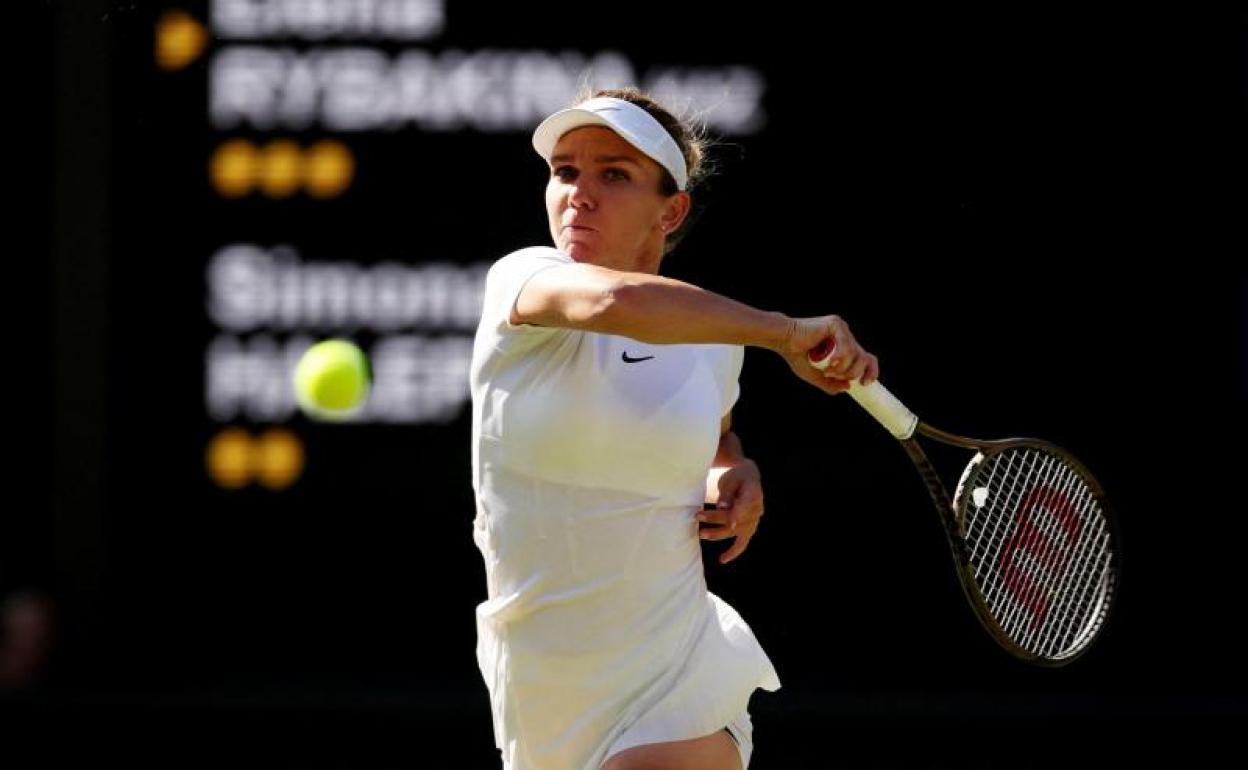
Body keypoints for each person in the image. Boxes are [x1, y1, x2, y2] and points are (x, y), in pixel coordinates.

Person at [468, 87, 879, 770]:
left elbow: (716, 437)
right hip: (541, 692)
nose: (578, 193)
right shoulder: (522, 280)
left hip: (673, 674)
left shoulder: (714, 340)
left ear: (673, 209)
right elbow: (615, 300)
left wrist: (731, 471)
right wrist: (786, 335)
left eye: (614, 174)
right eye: (565, 171)